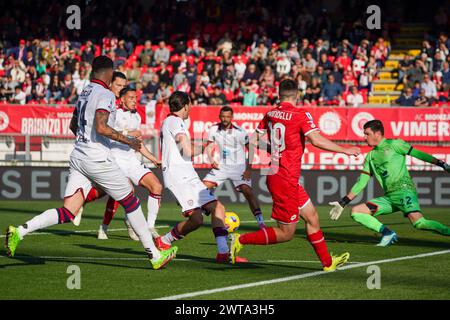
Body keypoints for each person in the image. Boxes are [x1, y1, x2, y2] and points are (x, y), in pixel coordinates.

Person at [5, 56, 177, 270]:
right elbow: (102, 128)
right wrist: (128, 140)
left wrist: (86, 140)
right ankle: (154, 255)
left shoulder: (84, 92)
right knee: (131, 201)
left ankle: (19, 231)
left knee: (68, 211)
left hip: (79, 156)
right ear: (108, 73)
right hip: (96, 157)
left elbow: (73, 124)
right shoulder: (104, 94)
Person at [229, 79, 360, 271]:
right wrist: (344, 150)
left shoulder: (271, 113)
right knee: (286, 232)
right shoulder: (300, 114)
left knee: (312, 217)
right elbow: (316, 140)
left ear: (279, 94)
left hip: (280, 175)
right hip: (285, 177)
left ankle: (327, 263)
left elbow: (253, 140)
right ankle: (240, 240)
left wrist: (270, 149)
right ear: (297, 94)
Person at [155, 91, 247, 263]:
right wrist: (204, 147)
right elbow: (187, 150)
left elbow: (187, 149)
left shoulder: (175, 122)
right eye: (190, 104)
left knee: (217, 208)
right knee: (197, 219)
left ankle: (223, 253)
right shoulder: (174, 121)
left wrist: (203, 146)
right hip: (179, 176)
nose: (191, 107)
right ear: (186, 105)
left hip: (188, 175)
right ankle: (164, 241)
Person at [329, 120, 450, 246]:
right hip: (389, 198)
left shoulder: (395, 144)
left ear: (377, 133)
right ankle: (387, 233)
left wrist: (442, 164)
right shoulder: (370, 157)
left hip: (403, 191)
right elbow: (361, 182)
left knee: (419, 223)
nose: (364, 137)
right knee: (357, 211)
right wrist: (343, 202)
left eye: (367, 134)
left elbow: (418, 154)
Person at [203, 106, 266, 229]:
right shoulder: (214, 129)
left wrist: (248, 169)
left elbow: (251, 149)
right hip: (222, 166)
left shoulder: (240, 132)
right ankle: (206, 208)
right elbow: (209, 146)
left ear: (232, 117)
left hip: (239, 168)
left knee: (247, 191)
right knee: (202, 188)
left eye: (227, 117)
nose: (225, 119)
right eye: (223, 116)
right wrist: (211, 160)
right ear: (219, 116)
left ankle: (261, 222)